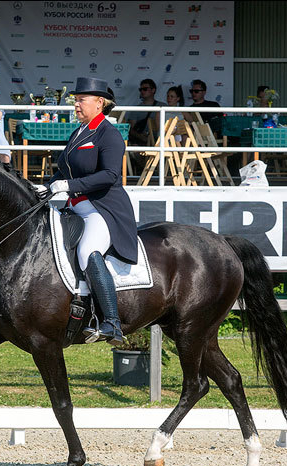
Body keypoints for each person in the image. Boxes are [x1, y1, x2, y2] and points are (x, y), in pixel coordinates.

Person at [42, 76, 137, 346]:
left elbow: (109, 175)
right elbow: (65, 167)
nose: (76, 104)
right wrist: (48, 187)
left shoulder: (109, 134)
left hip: (102, 208)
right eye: (76, 99)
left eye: (81, 99)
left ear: (100, 103)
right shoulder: (80, 131)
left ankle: (112, 322)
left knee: (87, 251)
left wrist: (69, 185)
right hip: (75, 206)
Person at [126, 78, 165, 146]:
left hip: (161, 140)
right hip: (141, 142)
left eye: (145, 89)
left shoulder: (163, 106)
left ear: (153, 90)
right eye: (140, 89)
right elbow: (130, 129)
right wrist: (140, 136)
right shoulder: (136, 109)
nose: (142, 91)